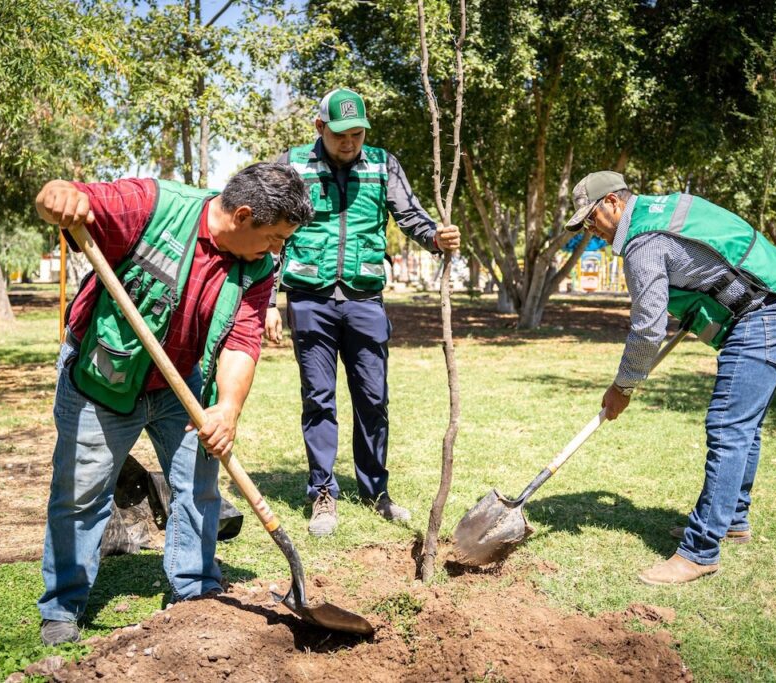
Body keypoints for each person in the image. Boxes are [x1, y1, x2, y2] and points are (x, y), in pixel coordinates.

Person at [33, 163, 313, 645]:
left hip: (179, 384)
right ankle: (62, 607)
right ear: (243, 215)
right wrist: (57, 196)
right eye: (274, 236)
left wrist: (226, 407)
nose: (277, 249)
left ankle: (195, 594)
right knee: (80, 495)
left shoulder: (258, 266)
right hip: (103, 380)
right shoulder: (152, 206)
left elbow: (243, 340)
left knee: (199, 489)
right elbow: (66, 199)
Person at [564, 171, 776, 585]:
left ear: (611, 202)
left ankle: (700, 551)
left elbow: (646, 329)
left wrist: (622, 387)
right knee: (743, 427)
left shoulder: (643, 242)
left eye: (591, 219)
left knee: (728, 426)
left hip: (768, 313)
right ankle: (732, 520)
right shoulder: (657, 213)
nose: (592, 231)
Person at [265, 88, 461, 537]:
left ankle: (376, 491)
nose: (349, 142)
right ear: (319, 128)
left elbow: (410, 215)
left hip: (364, 299)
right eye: (340, 135)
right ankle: (323, 493)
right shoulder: (291, 166)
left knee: (374, 398)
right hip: (309, 297)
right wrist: (268, 300)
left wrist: (436, 237)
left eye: (357, 133)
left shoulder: (382, 164)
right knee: (319, 397)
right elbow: (269, 232)